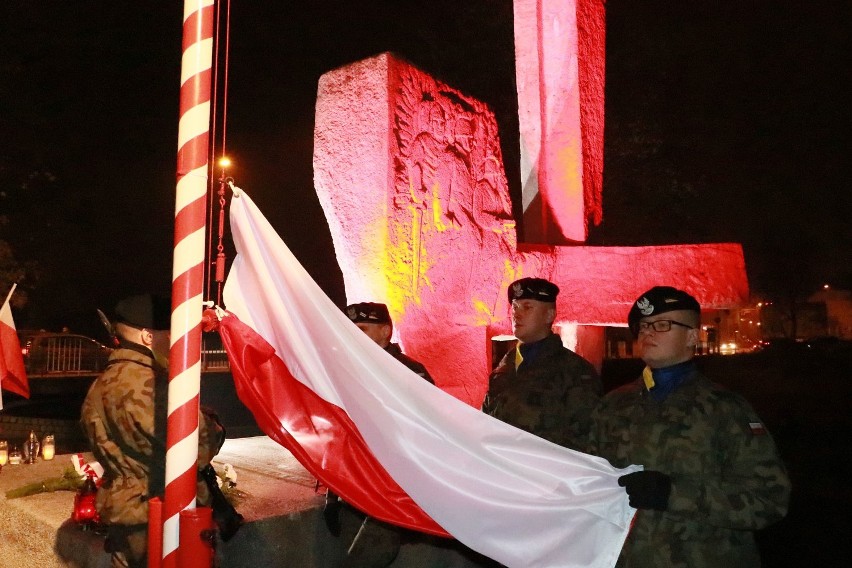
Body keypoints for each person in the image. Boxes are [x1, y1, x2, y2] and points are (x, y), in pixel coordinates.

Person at [591, 286, 791, 567]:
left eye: (662, 324)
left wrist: (674, 494)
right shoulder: (611, 406)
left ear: (692, 336)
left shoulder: (725, 408)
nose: (648, 332)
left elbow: (769, 499)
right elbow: (587, 486)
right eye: (643, 325)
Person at [80, 294, 224, 568]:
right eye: (168, 333)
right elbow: (199, 448)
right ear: (148, 336)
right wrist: (213, 424)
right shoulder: (156, 387)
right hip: (162, 516)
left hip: (124, 517)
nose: (172, 340)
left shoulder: (99, 386)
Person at [324, 302, 434, 567]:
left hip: (391, 488)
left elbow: (426, 433)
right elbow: (339, 433)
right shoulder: (346, 372)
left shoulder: (410, 373)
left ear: (385, 331)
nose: (353, 335)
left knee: (362, 561)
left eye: (362, 329)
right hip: (354, 487)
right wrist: (333, 492)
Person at [483, 277, 602, 451]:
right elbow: (486, 425)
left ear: (549, 315)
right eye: (514, 307)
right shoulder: (503, 370)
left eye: (527, 307)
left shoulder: (574, 371)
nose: (517, 314)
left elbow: (587, 439)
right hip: (504, 471)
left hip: (548, 474)